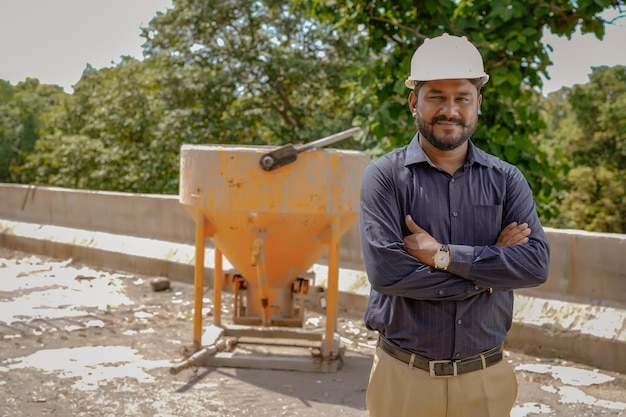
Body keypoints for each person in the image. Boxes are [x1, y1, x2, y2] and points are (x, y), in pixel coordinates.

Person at [358, 33, 551, 417]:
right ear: (415, 102)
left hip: (486, 380)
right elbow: (388, 274)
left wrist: (441, 256)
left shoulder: (507, 178)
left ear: (478, 102)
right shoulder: (384, 177)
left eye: (462, 97)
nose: (450, 109)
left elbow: (534, 264)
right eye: (437, 97)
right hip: (403, 380)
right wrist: (491, 272)